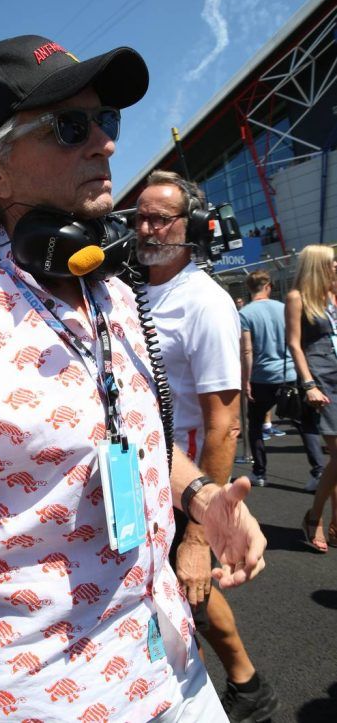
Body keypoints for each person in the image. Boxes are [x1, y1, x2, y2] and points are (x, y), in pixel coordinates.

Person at [0, 34, 266, 723]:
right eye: (70, 126)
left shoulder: (113, 292)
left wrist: (199, 495)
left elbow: (128, 437)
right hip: (43, 700)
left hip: (173, 668)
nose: (103, 143)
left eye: (107, 121)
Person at [136, 171, 278, 722]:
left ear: (190, 227)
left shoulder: (205, 302)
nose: (144, 228)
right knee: (170, 584)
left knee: (181, 580)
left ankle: (237, 687)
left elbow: (225, 425)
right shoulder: (134, 289)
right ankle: (244, 682)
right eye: (139, 217)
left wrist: (199, 531)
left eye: (158, 218)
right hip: (144, 470)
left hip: (186, 473)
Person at [285, 244, 337, 553]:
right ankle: (315, 517)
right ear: (318, 264)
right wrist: (308, 385)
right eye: (332, 263)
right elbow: (294, 344)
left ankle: (332, 523)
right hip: (322, 381)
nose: (336, 267)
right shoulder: (297, 298)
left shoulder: (332, 296)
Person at [239, 270, 296, 486]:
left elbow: (247, 351)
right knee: (303, 422)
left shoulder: (245, 313)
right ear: (269, 286)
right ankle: (317, 471)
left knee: (255, 425)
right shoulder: (283, 308)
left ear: (249, 287)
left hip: (261, 377)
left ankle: (260, 473)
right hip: (288, 372)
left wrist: (245, 380)